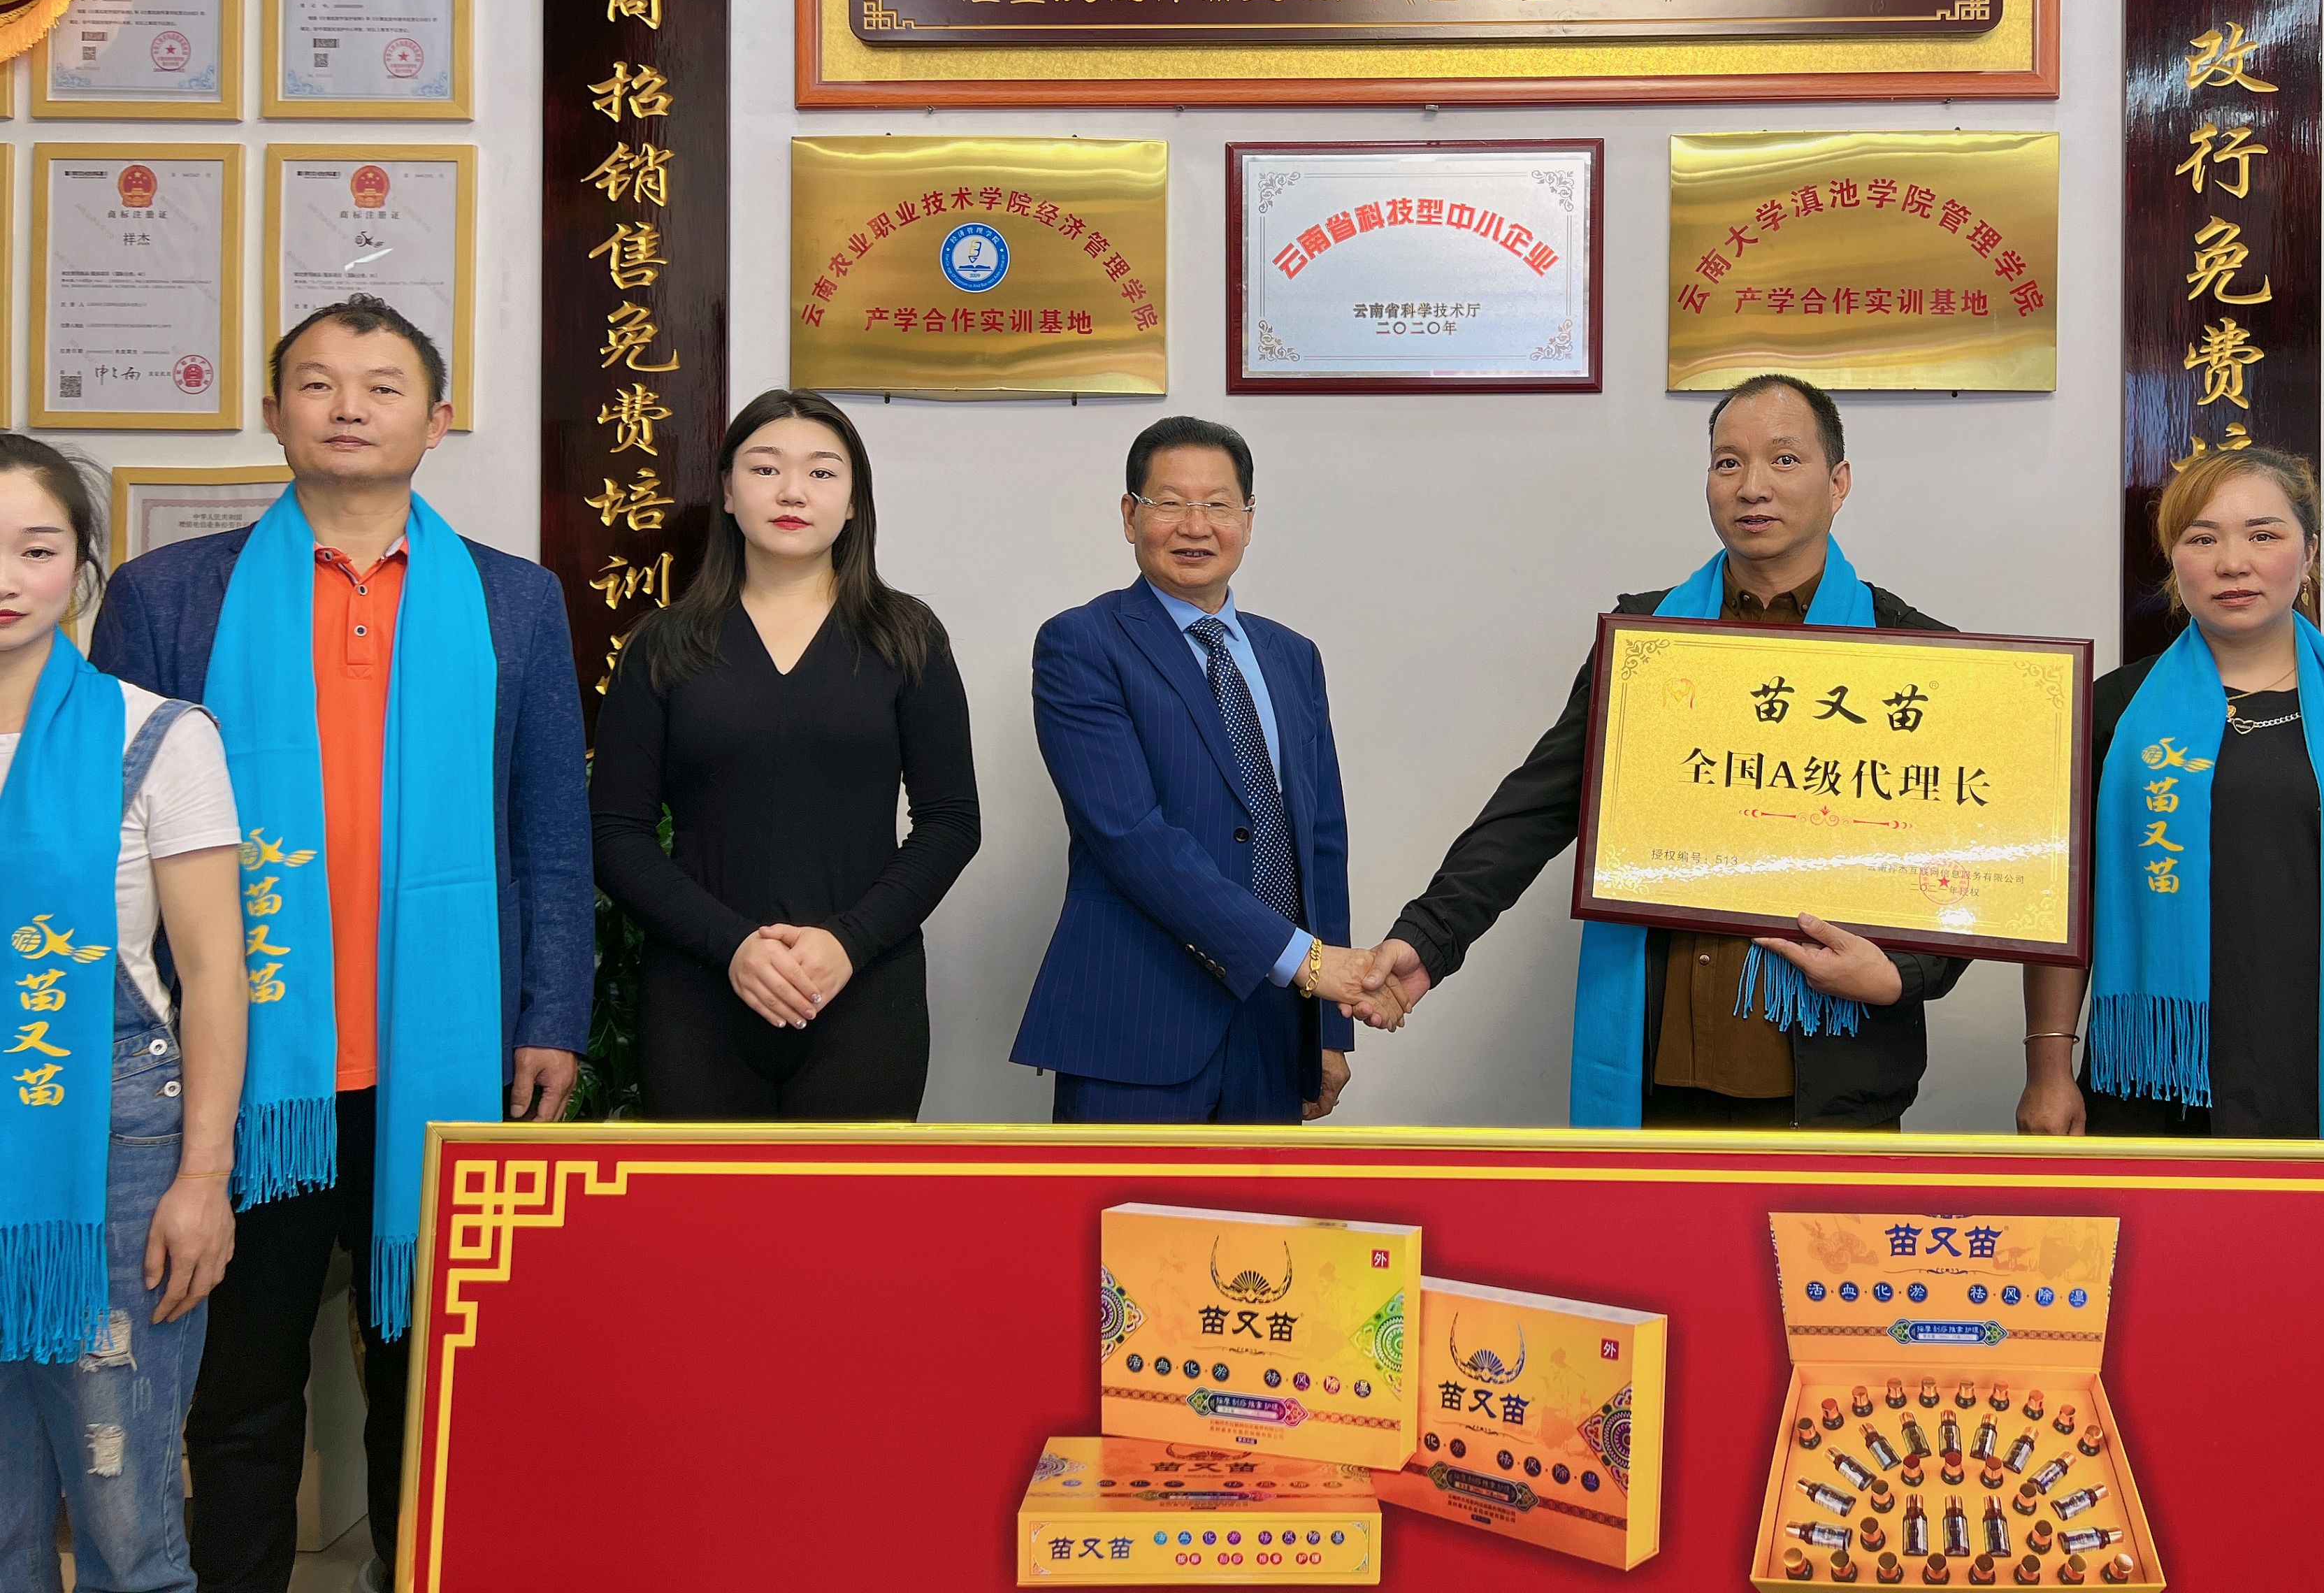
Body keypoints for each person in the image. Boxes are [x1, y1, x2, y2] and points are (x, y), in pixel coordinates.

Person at [88, 296, 592, 1593]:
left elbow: (549, 827)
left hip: (446, 1055)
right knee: (237, 1389)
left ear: (437, 419)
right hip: (243, 1067)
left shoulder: (515, 601)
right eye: (317, 384)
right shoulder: (167, 596)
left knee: (427, 1385)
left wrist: (554, 1015)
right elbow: (115, 842)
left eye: (382, 386)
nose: (349, 407)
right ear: (273, 413)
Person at [1357, 375, 1968, 1130]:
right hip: (1658, 1073)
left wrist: (1904, 973)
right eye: (1728, 463)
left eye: (1784, 460)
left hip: (1833, 1078)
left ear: (1838, 482)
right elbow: (1536, 809)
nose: (1752, 487)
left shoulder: (1915, 654)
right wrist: (1428, 938)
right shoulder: (1647, 641)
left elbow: (1973, 857)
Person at [2017, 445, 2324, 1142]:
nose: (2233, 563)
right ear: (2174, 560)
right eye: (2202, 539)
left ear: (2308, 553)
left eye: (2263, 535)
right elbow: (2061, 913)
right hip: (2156, 1081)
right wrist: (2048, 1071)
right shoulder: (2111, 714)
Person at [1, 436, 246, 1593]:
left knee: (124, 1521)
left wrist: (204, 1180)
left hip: (117, 1150)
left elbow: (216, 975)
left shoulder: (161, 737)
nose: (7, 579)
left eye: (36, 549)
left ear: (82, 567)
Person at [592, 389, 980, 1120]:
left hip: (865, 989)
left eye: (822, 472)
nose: (793, 492)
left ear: (854, 501)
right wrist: (734, 946)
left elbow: (951, 822)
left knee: (848, 1199)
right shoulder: (664, 645)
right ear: (728, 493)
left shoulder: (906, 636)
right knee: (704, 1199)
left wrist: (848, 944)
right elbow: (615, 834)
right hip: (698, 992)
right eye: (765, 469)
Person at [1016, 417, 1393, 1124]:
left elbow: (1321, 846)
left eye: (1218, 504)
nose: (1195, 526)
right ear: (1130, 516)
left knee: (1258, 1205)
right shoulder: (1082, 643)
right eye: (1169, 503)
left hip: (1275, 1028)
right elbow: (1130, 836)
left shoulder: (1293, 657)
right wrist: (1308, 962)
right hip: (1136, 1022)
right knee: (1127, 1204)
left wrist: (1328, 1031)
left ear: (1248, 520)